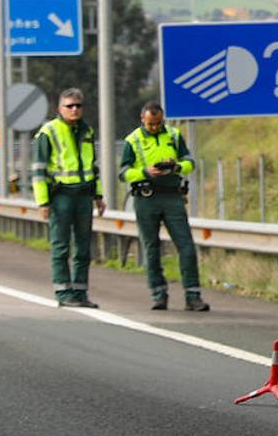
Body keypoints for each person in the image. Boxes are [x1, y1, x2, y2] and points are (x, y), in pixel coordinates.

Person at [118, 101, 209, 312]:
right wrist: (145, 172)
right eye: (150, 124)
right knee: (151, 248)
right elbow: (123, 172)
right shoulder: (133, 140)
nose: (154, 127)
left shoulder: (174, 135)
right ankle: (158, 294)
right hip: (145, 197)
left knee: (186, 246)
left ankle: (193, 295)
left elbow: (190, 162)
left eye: (158, 123)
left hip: (172, 197)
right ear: (143, 119)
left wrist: (177, 167)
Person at [32, 88, 105, 307]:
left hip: (83, 195)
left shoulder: (87, 131)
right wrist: (43, 202)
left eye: (78, 106)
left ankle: (81, 293)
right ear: (59, 109)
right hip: (61, 195)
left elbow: (92, 167)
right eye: (69, 106)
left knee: (83, 247)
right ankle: (64, 293)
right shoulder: (48, 132)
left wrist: (98, 196)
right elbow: (38, 170)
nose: (74, 110)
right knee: (61, 246)